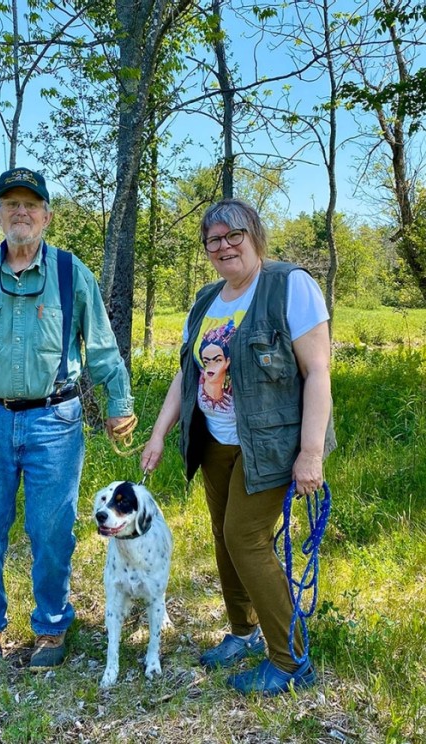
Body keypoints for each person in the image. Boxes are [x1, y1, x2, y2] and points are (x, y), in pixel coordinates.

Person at [0, 167, 134, 674]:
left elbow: (101, 349)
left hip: (55, 422)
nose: (21, 212)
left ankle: (50, 627)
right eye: (12, 204)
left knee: (52, 531)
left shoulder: (73, 275)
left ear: (47, 216)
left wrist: (119, 404)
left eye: (31, 204)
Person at [141, 198, 336, 695]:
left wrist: (310, 453)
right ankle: (244, 632)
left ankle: (291, 662)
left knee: (245, 538)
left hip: (271, 446)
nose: (225, 246)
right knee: (225, 537)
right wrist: (159, 434)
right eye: (214, 240)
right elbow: (185, 378)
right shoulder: (207, 301)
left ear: (255, 236)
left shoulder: (289, 285)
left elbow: (317, 374)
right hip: (215, 445)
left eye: (234, 236)